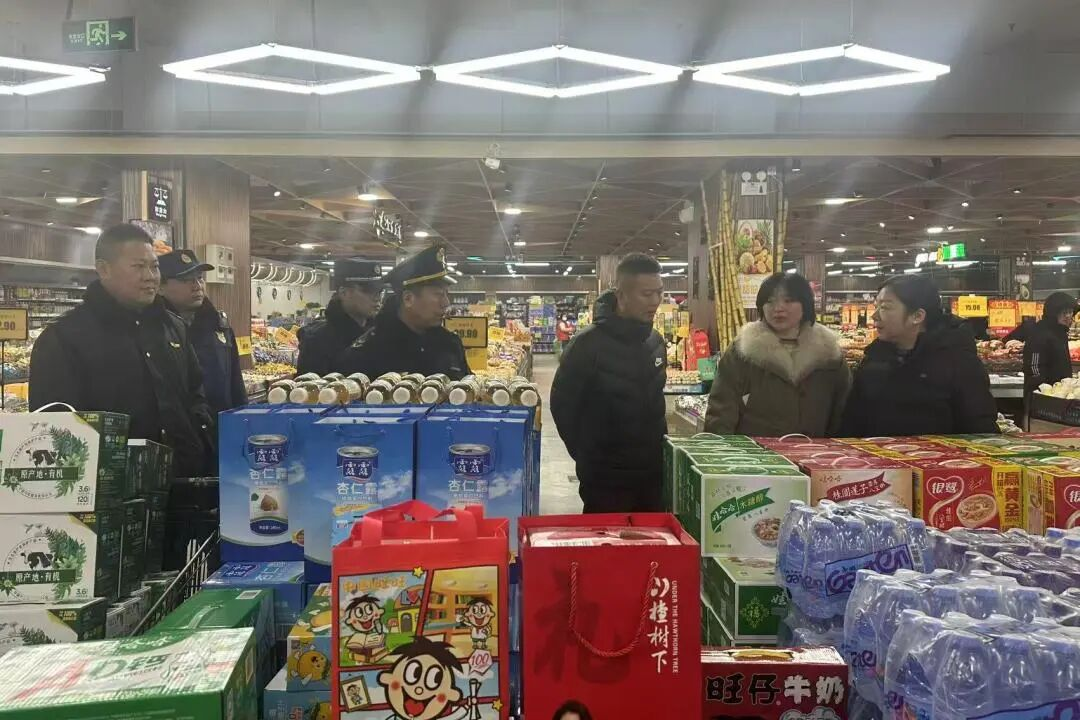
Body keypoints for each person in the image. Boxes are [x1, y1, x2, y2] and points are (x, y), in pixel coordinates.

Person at [29, 223, 215, 477]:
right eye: (138, 266)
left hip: (182, 482)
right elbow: (52, 426)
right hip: (111, 489)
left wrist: (200, 440)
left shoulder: (173, 327)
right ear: (104, 269)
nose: (150, 276)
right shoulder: (64, 338)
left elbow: (195, 391)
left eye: (154, 267)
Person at [551, 253, 667, 513]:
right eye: (646, 294)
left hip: (653, 476)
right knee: (605, 539)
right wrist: (589, 457)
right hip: (605, 482)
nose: (655, 301)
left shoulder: (656, 342)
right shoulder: (586, 346)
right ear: (621, 296)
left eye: (659, 292)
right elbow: (562, 406)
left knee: (651, 539)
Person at [841, 274, 998, 436]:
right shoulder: (874, 359)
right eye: (877, 307)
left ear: (917, 316)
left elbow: (982, 432)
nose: (875, 315)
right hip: (877, 453)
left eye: (885, 307)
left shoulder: (957, 362)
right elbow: (851, 425)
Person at [705, 273, 849, 437]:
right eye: (770, 301)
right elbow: (721, 410)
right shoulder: (742, 351)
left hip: (814, 451)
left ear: (805, 304)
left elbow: (843, 411)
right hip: (755, 451)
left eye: (788, 300)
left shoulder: (828, 353)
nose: (778, 308)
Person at [337, 246, 470, 379]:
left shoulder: (449, 344)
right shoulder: (368, 353)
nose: (446, 303)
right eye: (438, 294)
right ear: (408, 299)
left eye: (446, 294)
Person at [158, 248, 247, 417]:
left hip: (221, 424)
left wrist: (243, 419)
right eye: (185, 280)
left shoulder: (220, 326)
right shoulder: (155, 330)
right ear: (160, 287)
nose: (197, 286)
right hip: (183, 427)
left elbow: (236, 384)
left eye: (199, 278)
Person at [296, 260, 383, 376]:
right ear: (344, 292)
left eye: (379, 291)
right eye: (368, 291)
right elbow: (308, 385)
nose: (377, 298)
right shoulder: (317, 341)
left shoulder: (380, 335)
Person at [1022, 291, 1076, 396]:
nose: (1068, 316)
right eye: (1064, 313)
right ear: (1052, 313)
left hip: (1059, 393)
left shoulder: (1061, 332)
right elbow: (1034, 367)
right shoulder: (1039, 333)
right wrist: (1044, 391)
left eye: (1070, 312)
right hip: (1041, 395)